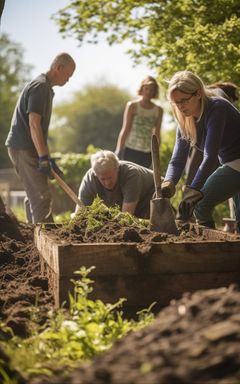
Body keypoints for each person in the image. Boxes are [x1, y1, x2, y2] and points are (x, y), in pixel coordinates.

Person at [161, 71, 240, 231]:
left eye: (184, 100)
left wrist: (193, 190)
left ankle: (208, 252)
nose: (181, 106)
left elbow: (210, 157)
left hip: (236, 163)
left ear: (198, 93)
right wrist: (168, 183)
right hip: (233, 164)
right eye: (176, 103)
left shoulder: (217, 108)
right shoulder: (185, 119)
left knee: (201, 204)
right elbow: (177, 160)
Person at [5, 52, 76, 224]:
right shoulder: (40, 87)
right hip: (23, 147)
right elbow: (34, 124)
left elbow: (39, 130)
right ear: (59, 68)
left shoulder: (45, 87)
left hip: (26, 147)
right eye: (69, 75)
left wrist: (47, 157)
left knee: (35, 193)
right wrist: (43, 157)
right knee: (41, 196)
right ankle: (46, 236)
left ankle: (34, 236)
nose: (68, 80)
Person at [76, 150, 156, 218]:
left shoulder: (130, 174)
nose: (107, 183)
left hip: (155, 195)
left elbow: (126, 215)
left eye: (110, 178)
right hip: (132, 206)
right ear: (96, 174)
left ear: (117, 169)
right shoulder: (89, 180)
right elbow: (80, 212)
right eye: (103, 179)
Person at [115, 76, 163, 168]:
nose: (149, 92)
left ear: (155, 91)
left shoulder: (158, 110)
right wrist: (118, 150)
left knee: (141, 179)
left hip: (147, 152)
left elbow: (157, 134)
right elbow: (125, 129)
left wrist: (156, 156)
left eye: (152, 90)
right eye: (147, 88)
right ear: (142, 89)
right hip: (130, 149)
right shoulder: (132, 106)